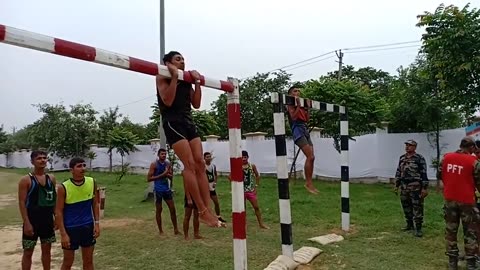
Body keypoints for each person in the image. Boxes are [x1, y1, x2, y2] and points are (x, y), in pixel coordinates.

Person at [156, 50, 223, 228]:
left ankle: (207, 210)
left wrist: (197, 82)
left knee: (200, 162)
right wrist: (175, 77)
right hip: (173, 122)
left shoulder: (186, 78)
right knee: (190, 164)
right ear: (168, 62)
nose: (182, 62)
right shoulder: (162, 76)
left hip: (188, 121)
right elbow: (168, 101)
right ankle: (201, 210)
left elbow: (197, 104)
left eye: (183, 59)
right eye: (178, 59)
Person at [437, 136, 480, 270]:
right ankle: (471, 263)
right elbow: (479, 181)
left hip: (450, 199)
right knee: (470, 232)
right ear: (471, 147)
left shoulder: (446, 158)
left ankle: (452, 263)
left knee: (451, 231)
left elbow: (440, 175)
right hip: (467, 201)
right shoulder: (474, 161)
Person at [56, 157, 100, 270]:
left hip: (87, 227)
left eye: (84, 165)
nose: (83, 168)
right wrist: (63, 234)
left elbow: (95, 204)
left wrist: (97, 224)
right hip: (70, 229)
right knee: (68, 262)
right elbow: (59, 212)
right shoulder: (63, 187)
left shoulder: (91, 182)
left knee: (89, 261)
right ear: (71, 170)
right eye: (79, 166)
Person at [18, 150, 57, 270]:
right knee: (28, 251)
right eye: (39, 158)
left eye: (44, 158)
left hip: (47, 220)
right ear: (32, 161)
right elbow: (22, 202)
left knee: (47, 251)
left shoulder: (51, 178)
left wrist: (56, 218)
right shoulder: (26, 180)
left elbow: (53, 199)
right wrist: (27, 223)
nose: (42, 160)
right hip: (32, 220)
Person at [286, 86, 318, 194]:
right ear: (290, 94)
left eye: (299, 91)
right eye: (295, 91)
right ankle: (308, 184)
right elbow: (294, 117)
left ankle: (309, 183)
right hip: (297, 129)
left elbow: (307, 119)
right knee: (310, 156)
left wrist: (307, 108)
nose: (298, 92)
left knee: (312, 157)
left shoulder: (301, 102)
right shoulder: (290, 103)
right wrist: (299, 106)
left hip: (304, 128)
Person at [394, 139, 428, 237]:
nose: (407, 147)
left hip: (415, 186)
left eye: (409, 145)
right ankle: (409, 224)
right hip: (404, 186)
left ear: (414, 147)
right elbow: (398, 171)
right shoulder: (402, 158)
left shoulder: (419, 158)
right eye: (406, 145)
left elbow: (424, 173)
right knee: (406, 206)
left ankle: (418, 228)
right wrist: (396, 184)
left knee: (417, 207)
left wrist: (424, 188)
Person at [147, 148, 180, 235]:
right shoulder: (154, 165)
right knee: (159, 210)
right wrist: (163, 174)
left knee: (172, 209)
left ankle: (176, 229)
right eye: (162, 154)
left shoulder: (168, 164)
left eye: (165, 154)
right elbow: (149, 179)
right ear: (158, 155)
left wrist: (168, 174)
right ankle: (160, 230)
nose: (164, 155)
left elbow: (171, 177)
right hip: (158, 190)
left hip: (166, 189)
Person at [241, 150, 269, 229]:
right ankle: (243, 224)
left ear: (248, 157)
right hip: (241, 191)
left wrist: (256, 186)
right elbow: (230, 176)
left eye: (245, 157)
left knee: (256, 207)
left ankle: (261, 224)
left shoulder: (251, 166)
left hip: (250, 190)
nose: (243, 159)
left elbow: (257, 175)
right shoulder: (238, 166)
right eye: (242, 157)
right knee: (243, 209)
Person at [204, 152, 226, 223]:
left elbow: (216, 175)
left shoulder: (213, 166)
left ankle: (218, 216)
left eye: (209, 156)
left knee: (216, 203)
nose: (209, 158)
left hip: (212, 186)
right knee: (207, 204)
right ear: (204, 158)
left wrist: (215, 182)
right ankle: (207, 218)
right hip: (205, 187)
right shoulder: (203, 166)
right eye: (207, 157)